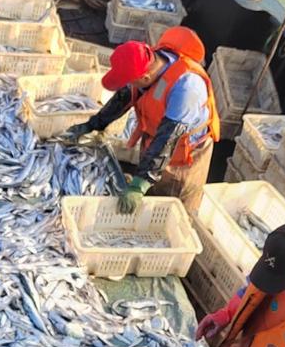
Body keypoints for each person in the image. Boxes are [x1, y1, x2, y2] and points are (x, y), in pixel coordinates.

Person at [60, 26, 219, 215]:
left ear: (144, 77)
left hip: (185, 152)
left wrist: (139, 184)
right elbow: (124, 96)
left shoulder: (186, 89)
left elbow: (167, 140)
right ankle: (147, 190)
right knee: (150, 186)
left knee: (173, 204)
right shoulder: (148, 62)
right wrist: (92, 124)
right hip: (157, 136)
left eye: (131, 81)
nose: (129, 85)